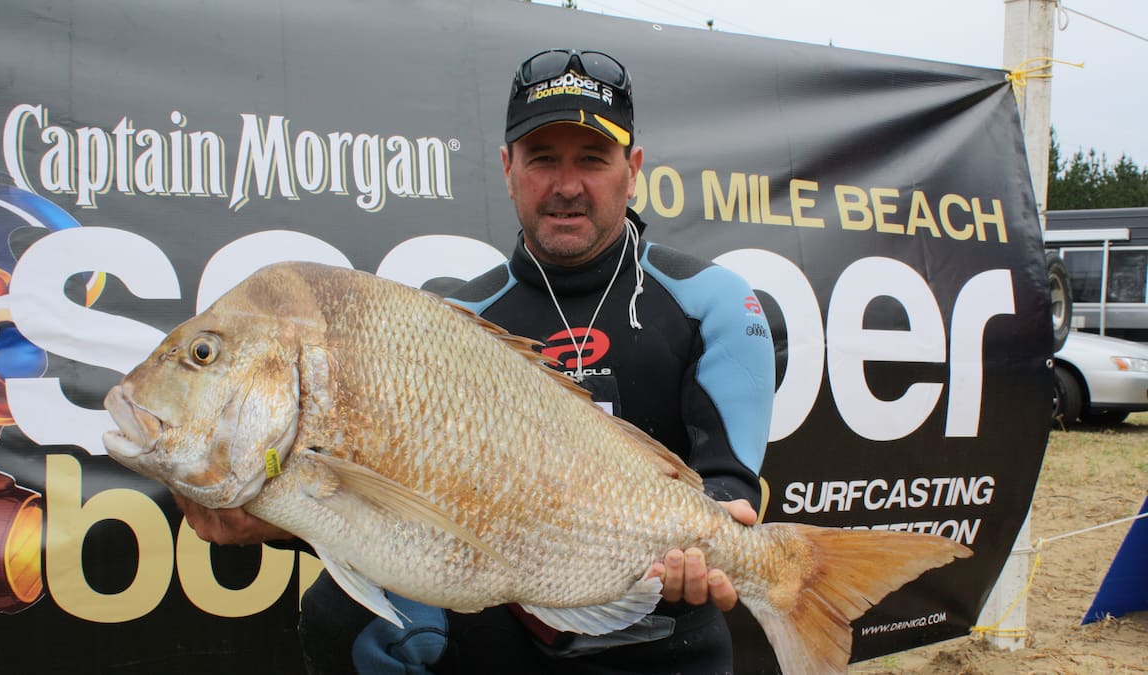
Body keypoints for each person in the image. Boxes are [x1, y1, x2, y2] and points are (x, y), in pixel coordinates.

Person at [177, 48, 775, 674]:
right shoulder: (453, 322)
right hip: (504, 634)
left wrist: (719, 539)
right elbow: (407, 513)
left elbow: (727, 486)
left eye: (592, 160)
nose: (566, 185)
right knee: (344, 617)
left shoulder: (710, 301)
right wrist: (274, 518)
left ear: (633, 169)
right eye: (542, 159)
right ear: (507, 168)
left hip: (666, 641)